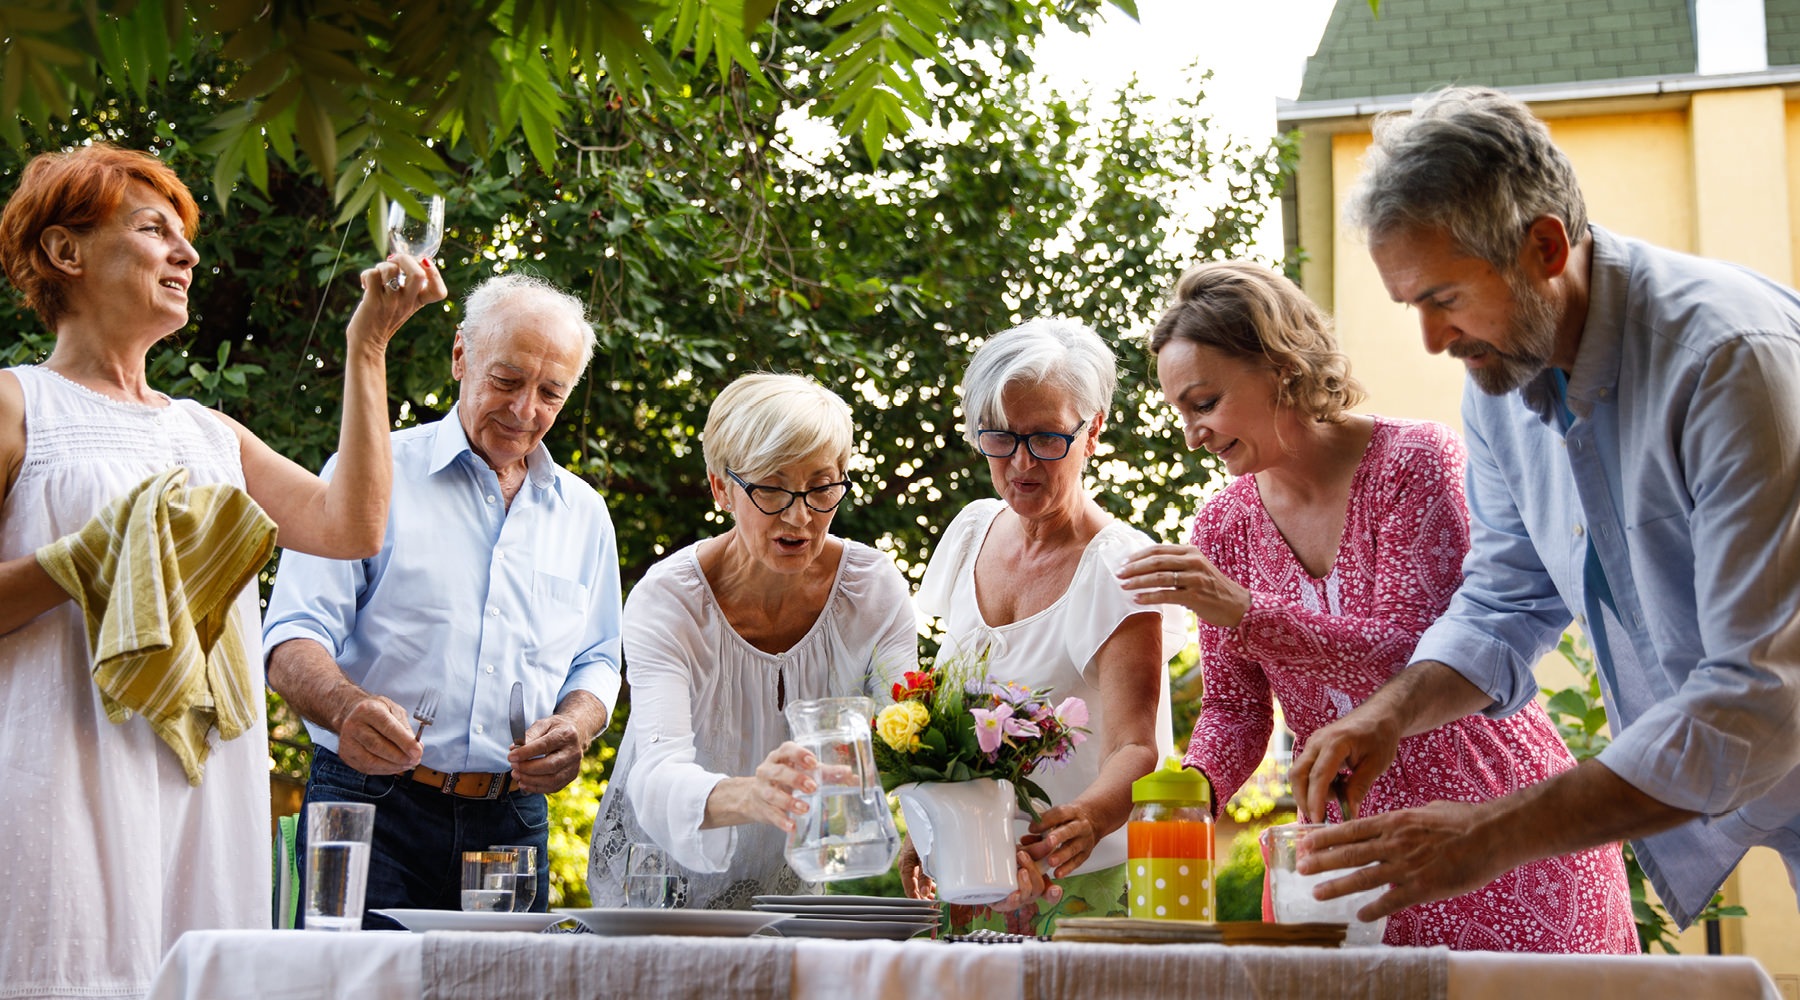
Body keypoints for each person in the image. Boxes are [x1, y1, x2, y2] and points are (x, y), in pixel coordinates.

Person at [1291, 85, 1800, 929]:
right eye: (1409, 305)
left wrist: (1490, 834)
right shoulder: (1501, 382)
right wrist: (1390, 711)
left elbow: (1759, 698)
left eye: (1443, 298)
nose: (1431, 340)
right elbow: (1504, 601)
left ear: (1545, 246)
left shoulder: (1729, 362)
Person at [0, 143, 441, 998]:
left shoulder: (208, 434)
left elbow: (351, 526)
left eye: (185, 236)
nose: (188, 254)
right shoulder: (21, 406)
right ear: (66, 252)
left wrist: (370, 347)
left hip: (204, 788)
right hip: (64, 777)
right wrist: (80, 561)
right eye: (153, 230)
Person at [1118, 260, 1636, 950]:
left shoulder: (1414, 463)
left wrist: (1246, 611)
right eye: (1179, 412)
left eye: (1205, 402)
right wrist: (1189, 799)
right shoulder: (1221, 526)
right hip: (1336, 868)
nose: (1192, 434)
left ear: (1280, 366)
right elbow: (1234, 709)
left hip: (1491, 836)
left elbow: (1417, 658)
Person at [263, 273, 620, 925]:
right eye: (507, 381)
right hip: (366, 804)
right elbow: (290, 638)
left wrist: (575, 725)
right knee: (354, 992)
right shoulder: (369, 475)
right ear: (461, 356)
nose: (523, 411)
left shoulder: (585, 515)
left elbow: (598, 661)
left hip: (508, 823)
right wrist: (348, 709)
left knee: (502, 994)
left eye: (550, 393)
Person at [585, 372, 916, 909]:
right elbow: (657, 772)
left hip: (790, 892)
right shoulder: (669, 600)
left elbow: (910, 733)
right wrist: (751, 795)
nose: (799, 514)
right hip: (656, 890)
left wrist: (935, 836)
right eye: (770, 487)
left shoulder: (873, 591)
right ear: (721, 488)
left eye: (821, 485)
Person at [907, 318, 1186, 934]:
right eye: (1000, 438)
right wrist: (927, 825)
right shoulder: (971, 533)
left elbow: (1137, 748)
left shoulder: (1118, 568)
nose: (1021, 462)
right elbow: (943, 721)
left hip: (1081, 885)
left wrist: (1081, 820)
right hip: (971, 877)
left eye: (1047, 438)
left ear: (1093, 432)